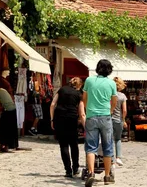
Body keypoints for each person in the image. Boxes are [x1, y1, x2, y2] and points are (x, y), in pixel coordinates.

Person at [83, 59, 117, 187]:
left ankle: (91, 173)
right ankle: (107, 176)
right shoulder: (111, 83)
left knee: (91, 147)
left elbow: (84, 98)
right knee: (108, 147)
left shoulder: (89, 80)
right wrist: (111, 111)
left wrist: (88, 109)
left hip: (91, 116)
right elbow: (114, 100)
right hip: (106, 117)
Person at [50, 77, 85, 178]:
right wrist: (85, 125)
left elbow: (52, 104)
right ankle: (75, 168)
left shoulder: (62, 89)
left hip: (59, 118)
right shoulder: (79, 94)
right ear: (79, 85)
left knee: (63, 145)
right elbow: (81, 112)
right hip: (72, 119)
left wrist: (52, 119)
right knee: (74, 144)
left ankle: (68, 170)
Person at [0, 83, 19, 152]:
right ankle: (7, 145)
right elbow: (5, 103)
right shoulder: (3, 90)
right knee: (10, 128)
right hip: (13, 110)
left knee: (2, 128)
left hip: (8, 111)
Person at [111, 77, 127, 167]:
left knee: (110, 140)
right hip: (119, 119)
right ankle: (118, 158)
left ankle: (112, 160)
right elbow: (124, 110)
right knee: (118, 139)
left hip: (109, 119)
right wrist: (123, 119)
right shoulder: (122, 96)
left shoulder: (110, 94)